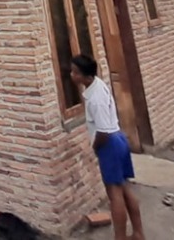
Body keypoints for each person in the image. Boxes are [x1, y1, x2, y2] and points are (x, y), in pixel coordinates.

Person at [69, 54, 145, 240]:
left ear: (86, 77)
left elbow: (103, 131)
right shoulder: (97, 85)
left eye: (75, 73)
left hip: (110, 144)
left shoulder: (95, 99)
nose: (72, 75)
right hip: (118, 138)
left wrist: (95, 146)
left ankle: (120, 237)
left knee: (114, 195)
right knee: (125, 188)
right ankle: (138, 233)